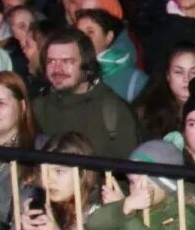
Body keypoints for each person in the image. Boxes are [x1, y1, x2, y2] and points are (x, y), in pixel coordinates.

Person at [32, 27, 140, 159]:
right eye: (51, 61)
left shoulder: (114, 112)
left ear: (87, 65)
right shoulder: (38, 107)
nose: (57, 69)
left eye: (67, 61)